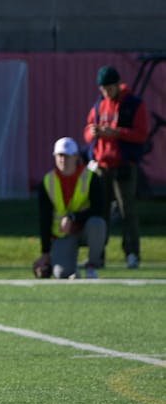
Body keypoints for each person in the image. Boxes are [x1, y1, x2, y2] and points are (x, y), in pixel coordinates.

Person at [84, 65, 148, 269]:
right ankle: (98, 255)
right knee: (100, 212)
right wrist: (92, 133)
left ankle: (132, 254)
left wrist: (116, 133)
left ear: (118, 85)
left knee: (126, 210)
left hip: (123, 165)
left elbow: (141, 134)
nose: (106, 92)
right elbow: (87, 131)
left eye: (109, 88)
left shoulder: (133, 104)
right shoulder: (99, 105)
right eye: (103, 89)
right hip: (102, 165)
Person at [33, 137, 107, 280]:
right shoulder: (48, 181)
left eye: (67, 156)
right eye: (59, 156)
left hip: (86, 229)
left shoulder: (91, 178)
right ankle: (73, 269)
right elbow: (45, 218)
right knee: (61, 274)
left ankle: (92, 265)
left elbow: (99, 210)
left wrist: (73, 217)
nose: (63, 160)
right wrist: (45, 253)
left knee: (98, 224)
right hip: (63, 235)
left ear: (76, 157)